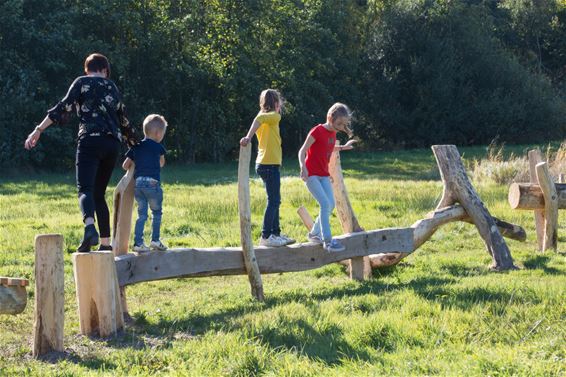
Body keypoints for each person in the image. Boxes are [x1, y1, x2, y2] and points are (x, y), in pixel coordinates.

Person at [24, 53, 137, 252]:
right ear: (104, 70)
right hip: (112, 144)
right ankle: (105, 244)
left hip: (89, 141)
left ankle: (89, 227)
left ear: (88, 69)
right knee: (99, 193)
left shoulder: (81, 82)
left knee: (85, 189)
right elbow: (124, 121)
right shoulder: (112, 86)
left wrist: (38, 130)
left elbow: (61, 107)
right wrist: (136, 147)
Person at [298, 103, 357, 252]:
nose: (340, 127)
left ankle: (314, 234)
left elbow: (328, 147)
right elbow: (302, 150)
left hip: (324, 175)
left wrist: (343, 147)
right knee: (325, 204)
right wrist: (302, 167)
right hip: (311, 175)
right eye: (339, 124)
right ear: (330, 118)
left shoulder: (333, 133)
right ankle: (328, 241)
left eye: (343, 125)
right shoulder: (317, 131)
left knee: (330, 205)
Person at [240, 89, 295, 247]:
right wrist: (248, 137)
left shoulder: (265, 119)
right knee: (274, 201)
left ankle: (275, 234)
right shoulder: (274, 117)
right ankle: (266, 236)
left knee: (275, 200)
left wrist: (249, 135)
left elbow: (259, 116)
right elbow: (261, 116)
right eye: (279, 104)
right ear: (277, 104)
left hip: (266, 164)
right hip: (269, 164)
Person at [122, 114, 168, 252]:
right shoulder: (158, 147)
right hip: (153, 184)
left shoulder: (136, 146)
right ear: (158, 133)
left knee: (141, 215)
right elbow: (161, 164)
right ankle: (155, 240)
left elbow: (125, 165)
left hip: (139, 184)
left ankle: (138, 243)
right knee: (156, 212)